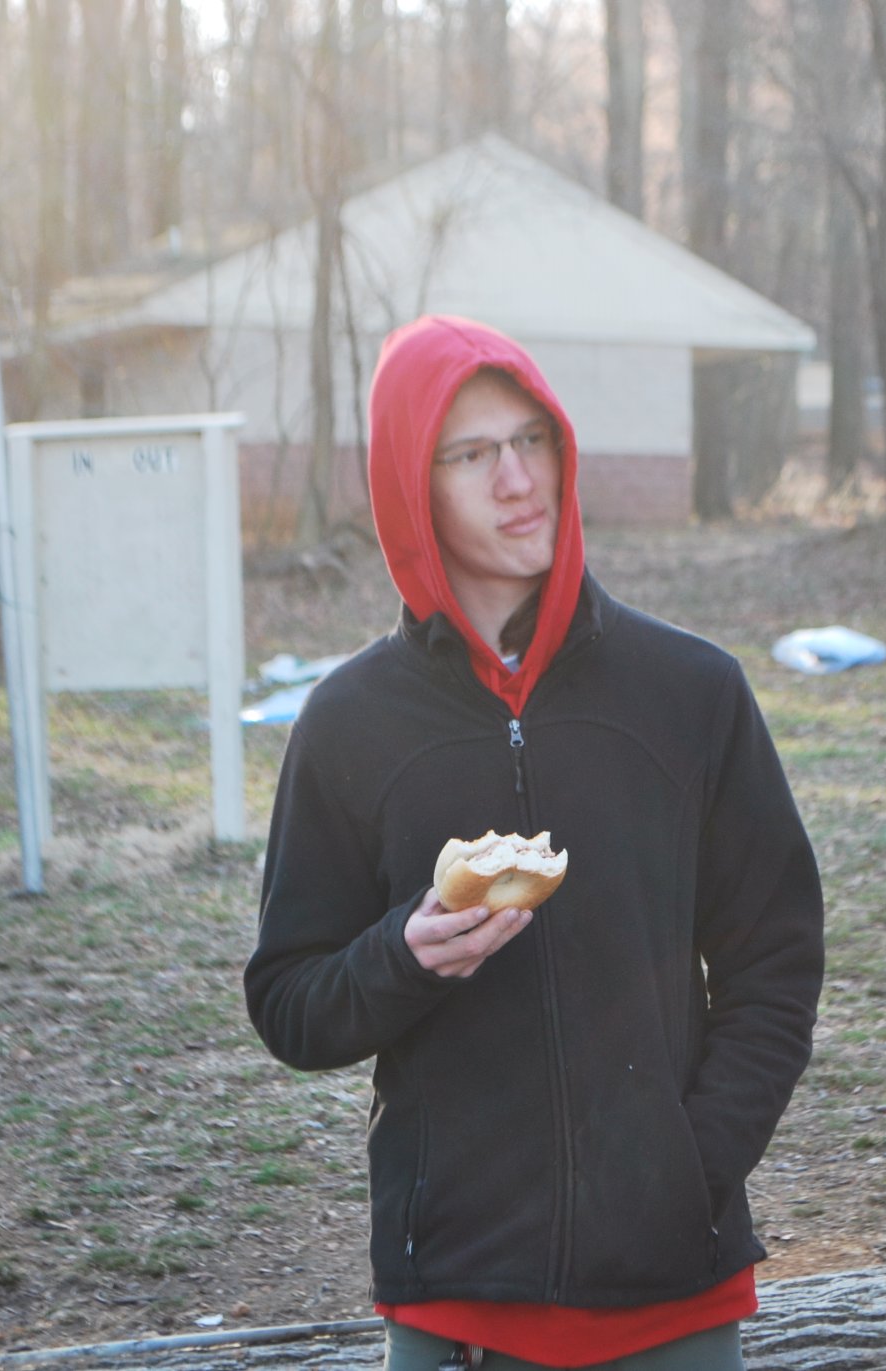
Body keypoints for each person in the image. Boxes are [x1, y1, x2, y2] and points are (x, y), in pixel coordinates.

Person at [244, 315, 825, 1371]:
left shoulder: (690, 693)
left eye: (532, 440)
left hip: (672, 1300)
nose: (518, 480)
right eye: (472, 454)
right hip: (459, 1302)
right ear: (410, 490)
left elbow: (775, 960)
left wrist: (688, 1165)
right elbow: (289, 1000)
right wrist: (401, 956)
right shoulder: (348, 725)